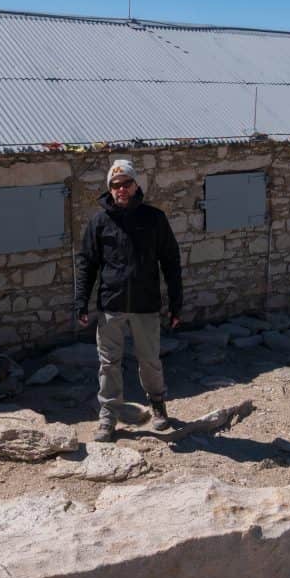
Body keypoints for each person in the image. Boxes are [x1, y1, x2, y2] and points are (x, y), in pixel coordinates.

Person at [76, 159, 183, 442]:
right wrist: (81, 302)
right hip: (111, 304)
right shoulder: (99, 222)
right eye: (116, 185)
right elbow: (87, 263)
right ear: (109, 189)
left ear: (136, 185)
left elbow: (171, 262)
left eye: (126, 183)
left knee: (149, 360)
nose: (121, 189)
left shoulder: (154, 219)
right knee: (108, 363)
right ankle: (109, 415)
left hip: (145, 304)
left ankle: (158, 404)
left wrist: (176, 304)